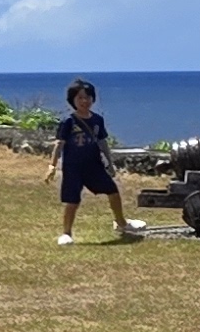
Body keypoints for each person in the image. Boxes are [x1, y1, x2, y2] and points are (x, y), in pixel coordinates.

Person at [53, 80, 143, 244]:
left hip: (94, 165)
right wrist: (52, 165)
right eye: (80, 98)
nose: (84, 101)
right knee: (72, 201)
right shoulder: (68, 121)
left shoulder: (97, 120)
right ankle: (66, 233)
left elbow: (102, 142)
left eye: (87, 97)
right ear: (72, 100)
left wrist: (109, 162)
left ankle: (121, 223)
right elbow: (59, 143)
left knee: (113, 191)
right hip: (73, 167)